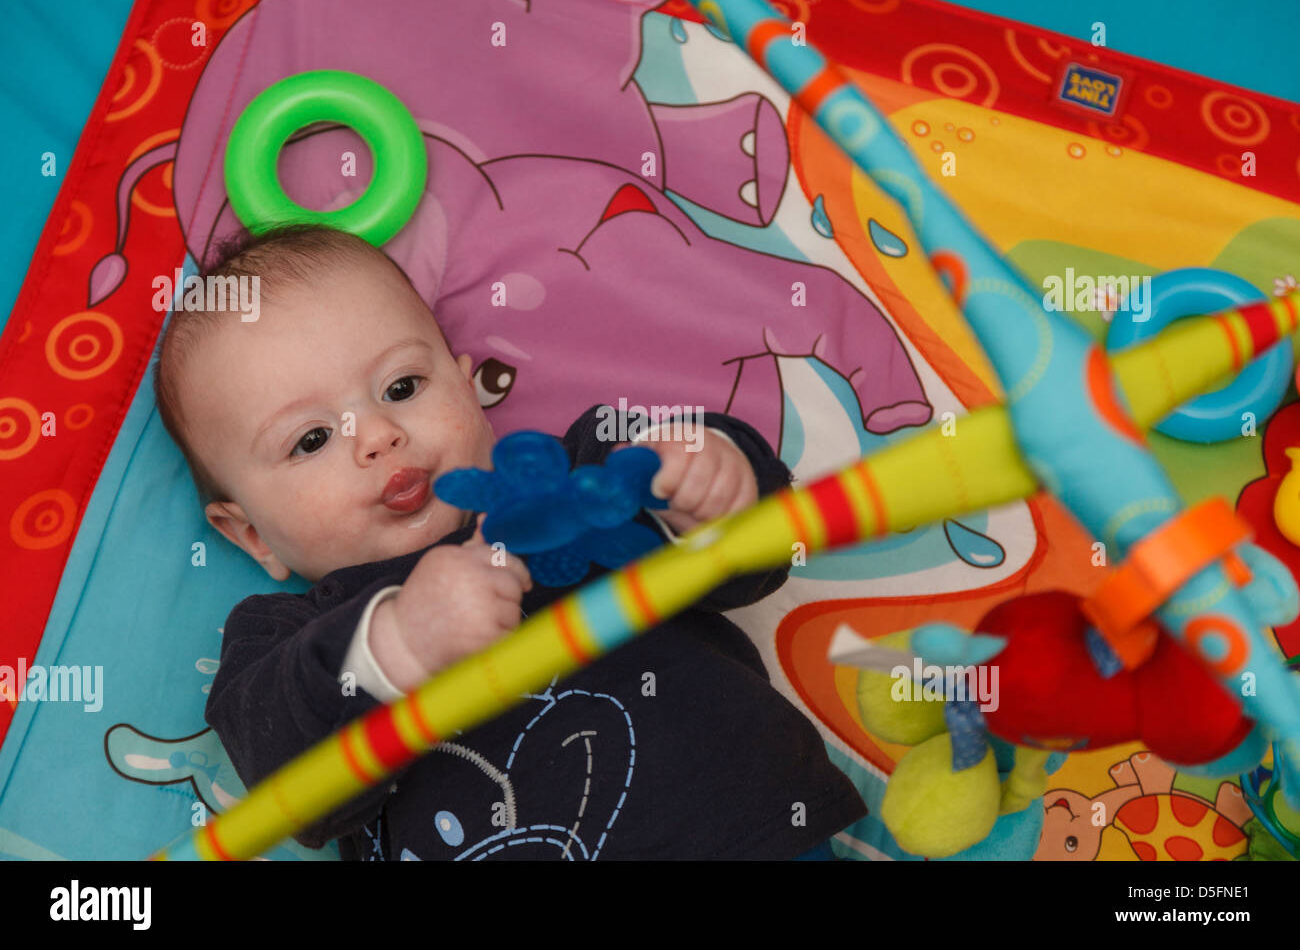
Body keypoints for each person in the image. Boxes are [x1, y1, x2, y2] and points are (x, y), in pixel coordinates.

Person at [152, 223, 866, 859]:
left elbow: (752, 560)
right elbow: (292, 787)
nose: (376, 436)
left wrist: (715, 478)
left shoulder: (572, 488)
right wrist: (396, 645)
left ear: (468, 391)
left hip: (743, 830)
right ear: (249, 534)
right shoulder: (282, 644)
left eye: (401, 387)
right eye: (310, 440)